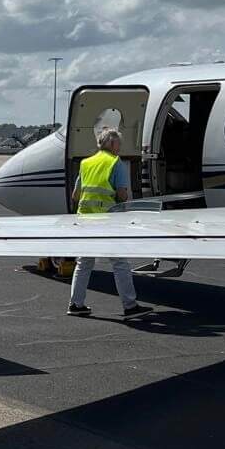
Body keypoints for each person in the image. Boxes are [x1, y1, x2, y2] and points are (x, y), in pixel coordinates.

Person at [68, 127, 153, 320]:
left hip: (85, 219)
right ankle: (130, 306)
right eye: (119, 144)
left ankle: (76, 304)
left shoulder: (86, 163)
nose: (120, 147)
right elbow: (122, 194)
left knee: (83, 263)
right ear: (112, 144)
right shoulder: (115, 163)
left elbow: (75, 195)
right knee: (120, 263)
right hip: (107, 220)